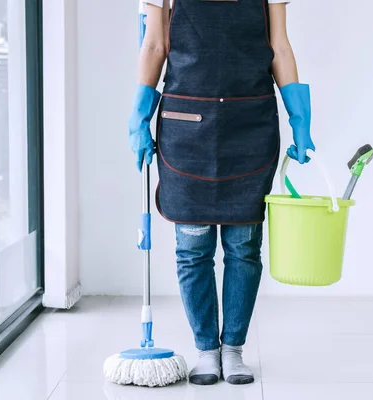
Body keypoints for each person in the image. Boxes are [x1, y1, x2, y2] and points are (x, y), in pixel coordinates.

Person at [128, 0, 314, 385]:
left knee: (243, 246)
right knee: (193, 248)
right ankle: (206, 351)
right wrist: (139, 114)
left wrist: (299, 114)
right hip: (186, 125)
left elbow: (278, 45)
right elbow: (154, 46)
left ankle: (233, 350)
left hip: (250, 123)